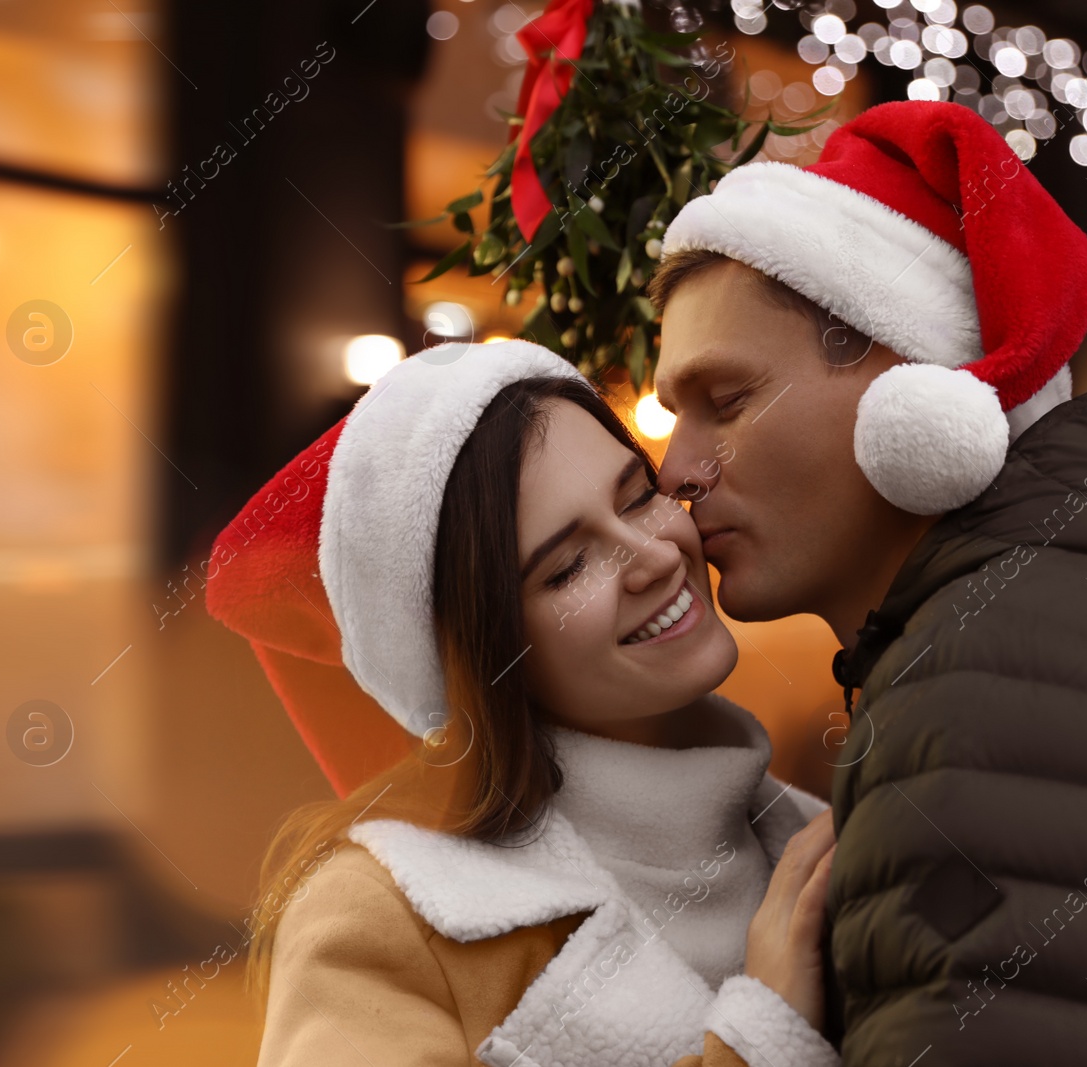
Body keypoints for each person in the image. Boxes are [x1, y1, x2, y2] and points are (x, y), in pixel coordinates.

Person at [647, 100, 1087, 1064]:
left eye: (723, 402)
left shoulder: (998, 675)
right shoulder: (1040, 629)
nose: (676, 471)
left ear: (915, 397)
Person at [210, 340, 845, 1067]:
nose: (658, 556)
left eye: (638, 496)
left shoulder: (814, 834)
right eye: (568, 565)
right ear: (486, 657)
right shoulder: (390, 913)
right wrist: (756, 1044)